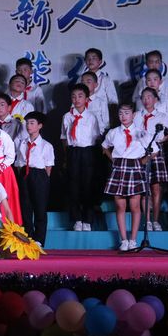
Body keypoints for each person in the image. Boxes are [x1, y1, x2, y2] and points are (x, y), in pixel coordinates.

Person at [102, 104, 149, 251]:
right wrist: (113, 159)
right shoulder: (114, 132)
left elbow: (154, 150)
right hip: (119, 167)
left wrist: (142, 162)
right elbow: (104, 146)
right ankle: (123, 240)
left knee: (135, 206)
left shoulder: (141, 133)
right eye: (121, 113)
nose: (123, 116)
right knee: (120, 205)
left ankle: (133, 239)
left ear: (133, 115)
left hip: (135, 167)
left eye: (127, 113)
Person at [135, 87, 168, 231]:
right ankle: (147, 221)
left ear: (155, 99)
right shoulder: (136, 115)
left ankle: (155, 220)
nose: (146, 100)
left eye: (149, 97)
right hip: (139, 151)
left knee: (156, 188)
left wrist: (164, 139)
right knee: (144, 189)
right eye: (143, 97)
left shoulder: (161, 116)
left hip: (156, 151)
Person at [61, 83, 101, 231]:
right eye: (74, 96)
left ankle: (88, 219)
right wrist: (66, 157)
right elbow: (63, 138)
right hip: (73, 152)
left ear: (86, 99)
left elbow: (96, 137)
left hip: (88, 152)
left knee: (88, 185)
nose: (76, 99)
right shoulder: (67, 116)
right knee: (73, 186)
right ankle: (77, 218)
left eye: (80, 96)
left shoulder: (91, 117)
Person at [15, 111, 54, 246]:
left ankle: (39, 239)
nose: (28, 126)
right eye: (27, 123)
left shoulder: (46, 145)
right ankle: (28, 236)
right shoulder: (22, 143)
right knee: (25, 207)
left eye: (32, 123)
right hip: (24, 174)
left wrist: (42, 180)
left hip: (39, 175)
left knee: (40, 208)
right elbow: (19, 162)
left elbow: (48, 167)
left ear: (40, 126)